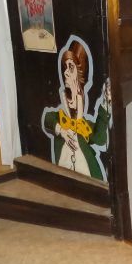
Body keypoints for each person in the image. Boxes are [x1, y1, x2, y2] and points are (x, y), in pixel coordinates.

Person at [42, 38, 110, 180]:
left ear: (79, 73)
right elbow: (47, 119)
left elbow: (100, 139)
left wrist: (106, 103)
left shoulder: (84, 126)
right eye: (65, 67)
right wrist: (62, 132)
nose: (66, 72)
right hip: (64, 177)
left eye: (71, 67)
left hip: (87, 178)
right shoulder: (60, 118)